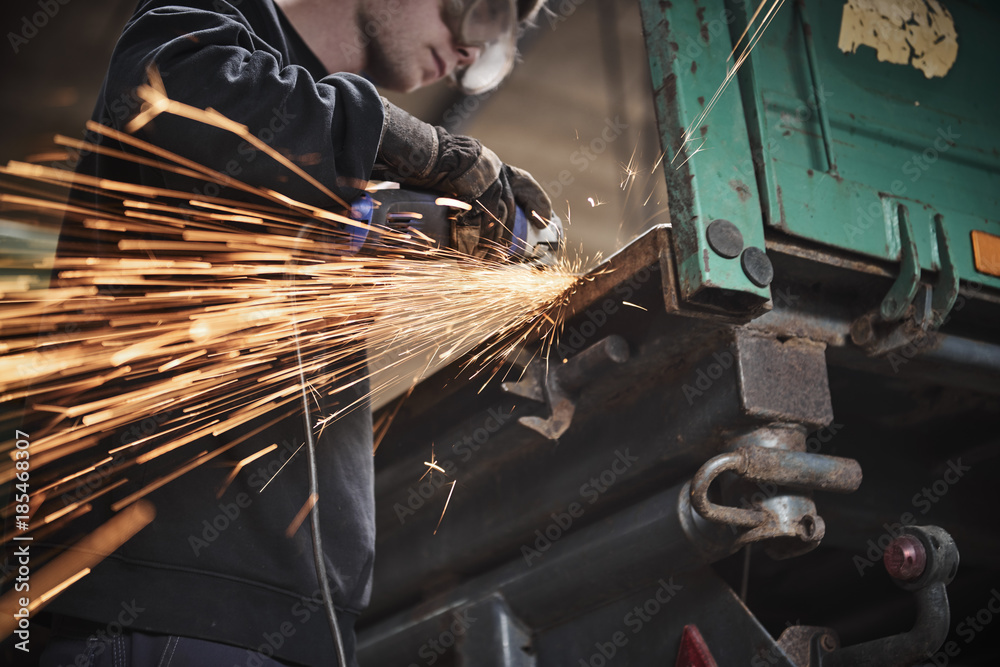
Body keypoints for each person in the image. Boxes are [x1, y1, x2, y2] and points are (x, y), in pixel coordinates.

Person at [36, 1, 553, 665]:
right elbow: (190, 97)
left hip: (286, 628)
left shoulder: (330, 157)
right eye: (482, 8)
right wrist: (415, 143)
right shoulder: (210, 27)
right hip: (174, 614)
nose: (473, 49)